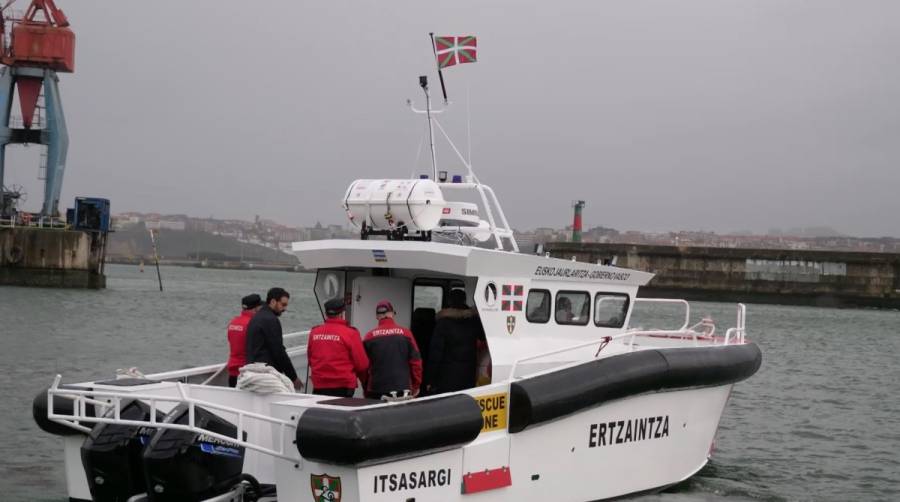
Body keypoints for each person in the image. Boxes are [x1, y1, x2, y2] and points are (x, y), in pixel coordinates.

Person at [425, 289, 486, 394]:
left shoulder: (443, 322)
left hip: (447, 376)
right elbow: (483, 337)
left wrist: (430, 379)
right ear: (464, 300)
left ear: (449, 301)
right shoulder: (473, 321)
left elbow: (436, 354)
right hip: (468, 374)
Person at [307, 298, 369, 397]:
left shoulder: (314, 332)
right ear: (342, 314)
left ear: (326, 313)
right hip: (343, 386)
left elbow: (310, 360)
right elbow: (362, 365)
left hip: (320, 385)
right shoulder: (351, 333)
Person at [362, 301, 423, 399]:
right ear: (392, 314)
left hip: (376, 389)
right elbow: (416, 362)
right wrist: (416, 385)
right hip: (403, 389)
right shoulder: (406, 334)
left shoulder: (369, 337)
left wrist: (365, 389)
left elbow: (363, 367)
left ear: (377, 316)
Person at [245, 287, 303, 390]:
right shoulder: (271, 320)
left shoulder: (256, 317)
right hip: (266, 374)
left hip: (253, 370)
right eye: (283, 304)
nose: (285, 308)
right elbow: (278, 351)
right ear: (273, 301)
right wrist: (293, 377)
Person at [226, 293, 262, 387]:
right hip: (246, 373)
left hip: (233, 371)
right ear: (256, 308)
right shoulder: (253, 324)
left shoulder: (233, 322)